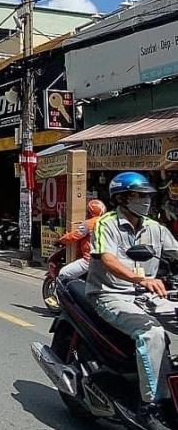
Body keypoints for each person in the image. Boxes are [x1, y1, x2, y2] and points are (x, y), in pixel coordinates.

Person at [87, 172, 178, 429]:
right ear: (123, 198)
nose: (146, 201)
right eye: (140, 196)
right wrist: (140, 280)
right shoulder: (107, 223)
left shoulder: (154, 228)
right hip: (110, 294)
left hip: (147, 297)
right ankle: (151, 405)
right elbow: (108, 259)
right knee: (153, 334)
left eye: (148, 196)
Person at [57, 199, 106, 281]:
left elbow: (74, 236)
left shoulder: (89, 223)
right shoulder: (107, 222)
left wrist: (60, 240)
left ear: (90, 212)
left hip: (90, 260)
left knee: (63, 273)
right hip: (104, 259)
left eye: (88, 210)